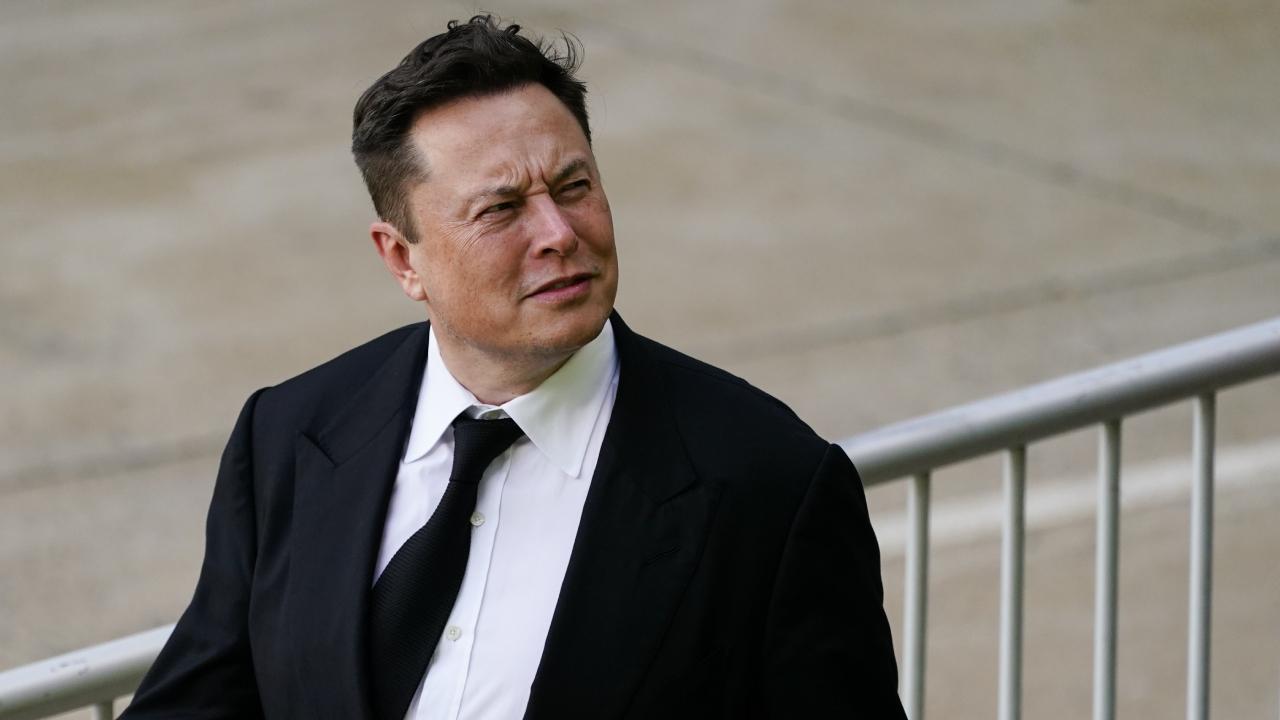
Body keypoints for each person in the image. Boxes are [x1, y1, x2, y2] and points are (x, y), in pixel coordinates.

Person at [122, 15, 905, 720]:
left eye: (574, 186)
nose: (559, 232)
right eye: (501, 209)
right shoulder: (288, 434)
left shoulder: (771, 485)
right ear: (402, 259)